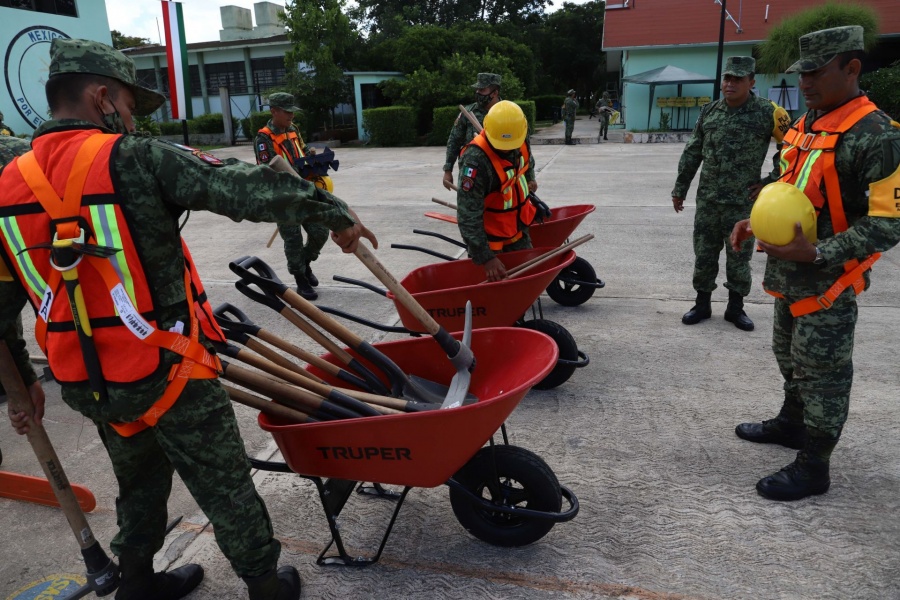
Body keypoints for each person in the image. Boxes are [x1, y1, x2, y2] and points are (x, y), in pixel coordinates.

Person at [0, 38, 375, 600]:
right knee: (225, 486)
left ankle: (137, 583)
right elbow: (238, 186)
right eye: (129, 105)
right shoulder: (133, 158)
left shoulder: (7, 184)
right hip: (168, 371)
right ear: (102, 97)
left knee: (139, 481)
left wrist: (22, 385)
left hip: (91, 383)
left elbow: (1, 309)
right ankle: (266, 587)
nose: (131, 118)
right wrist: (333, 212)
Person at [730, 26, 900, 501]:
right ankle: (791, 424)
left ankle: (814, 466)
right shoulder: (808, 124)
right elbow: (792, 187)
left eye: (816, 72)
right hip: (789, 272)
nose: (805, 83)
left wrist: (820, 252)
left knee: (823, 376)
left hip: (828, 279)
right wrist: (755, 220)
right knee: (789, 358)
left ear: (851, 69)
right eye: (801, 73)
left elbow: (889, 225)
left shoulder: (878, 136)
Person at [672, 56, 790, 332]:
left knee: (739, 258)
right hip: (709, 200)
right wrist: (680, 188)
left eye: (738, 78)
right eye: (727, 78)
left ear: (751, 81)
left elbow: (791, 148)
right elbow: (692, 151)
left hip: (743, 202)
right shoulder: (709, 112)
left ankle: (735, 308)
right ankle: (702, 304)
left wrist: (770, 181)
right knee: (704, 255)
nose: (730, 83)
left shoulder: (769, 112)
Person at [254, 92, 328, 301]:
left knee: (320, 231)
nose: (291, 116)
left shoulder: (293, 130)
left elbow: (302, 149)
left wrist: (310, 155)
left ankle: (305, 264)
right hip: (282, 198)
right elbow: (266, 170)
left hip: (305, 190)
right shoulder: (264, 137)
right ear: (274, 111)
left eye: (292, 112)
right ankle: (300, 280)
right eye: (287, 112)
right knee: (293, 239)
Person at [456, 100, 537, 282]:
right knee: (496, 295)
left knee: (525, 281)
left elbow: (527, 161)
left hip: (518, 229)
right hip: (491, 242)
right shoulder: (475, 161)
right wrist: (487, 258)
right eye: (502, 144)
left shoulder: (520, 136)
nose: (508, 149)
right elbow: (467, 215)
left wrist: (530, 177)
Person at [442, 73, 502, 192]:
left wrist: (529, 176)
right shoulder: (468, 113)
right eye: (477, 89)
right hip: (471, 173)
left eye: (482, 89)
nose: (478, 93)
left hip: (500, 174)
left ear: (495, 93)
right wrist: (448, 171)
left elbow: (522, 146)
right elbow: (454, 141)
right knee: (469, 209)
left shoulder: (508, 113)